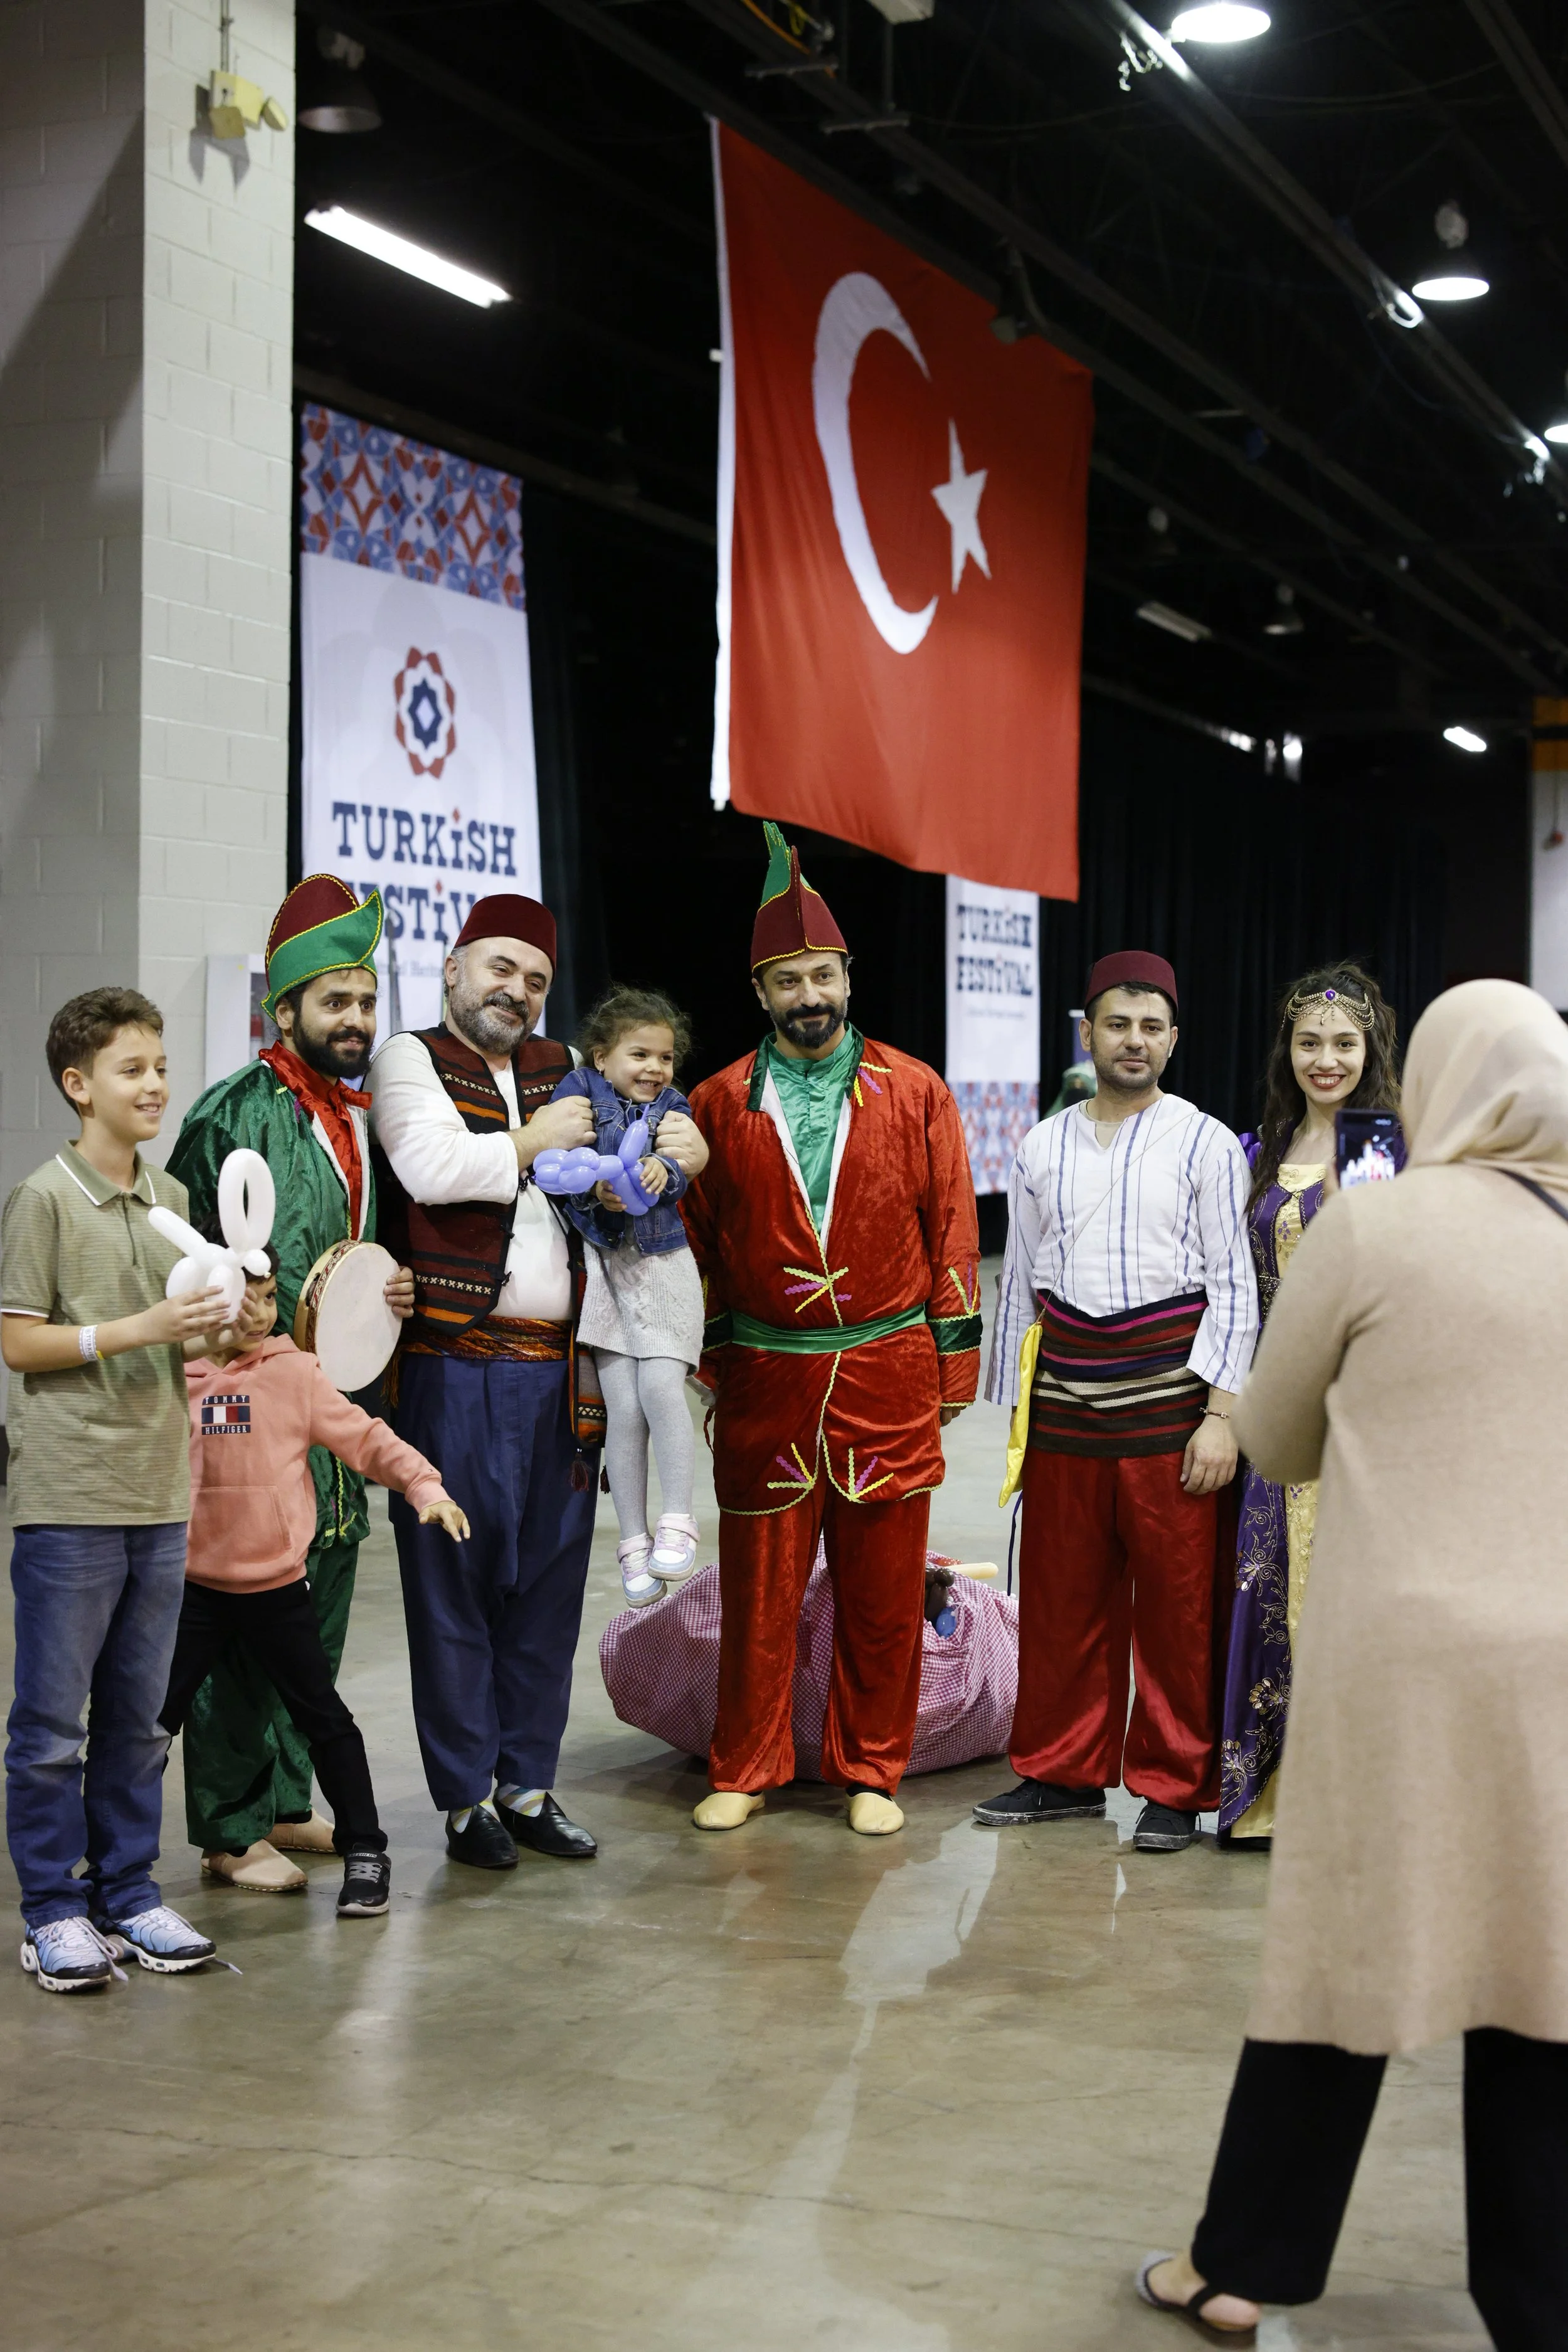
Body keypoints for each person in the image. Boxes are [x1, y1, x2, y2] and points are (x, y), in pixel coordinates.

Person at [1138, 979, 1568, 2349]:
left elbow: (1270, 1438)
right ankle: (1539, 2306)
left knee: (1341, 1958)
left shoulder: (1373, 1222)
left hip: (1401, 1660)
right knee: (1542, 1975)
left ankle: (1238, 2268)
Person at [368, 893, 708, 1870]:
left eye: (535, 979)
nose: (515, 991)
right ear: (454, 968)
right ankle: (466, 1797)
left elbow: (651, 1129)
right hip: (451, 1366)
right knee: (453, 1586)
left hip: (566, 1369)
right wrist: (530, 1143)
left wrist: (685, 1148)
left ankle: (527, 1783)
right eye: (499, 969)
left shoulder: (570, 1066)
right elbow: (431, 1167)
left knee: (550, 1588)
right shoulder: (412, 1056)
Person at [680, 823, 982, 1838]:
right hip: (768, 1378)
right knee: (756, 1594)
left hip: (890, 1369)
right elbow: (702, 1246)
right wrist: (710, 1368)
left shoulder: (917, 1091)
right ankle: (747, 1762)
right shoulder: (718, 1103)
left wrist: (954, 1367)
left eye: (822, 975)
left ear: (848, 976)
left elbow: (953, 1230)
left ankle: (872, 1767)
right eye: (787, 981)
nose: (808, 996)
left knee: (885, 1594)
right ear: (759, 993)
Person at [977, 952, 1258, 1853]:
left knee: (1178, 1610)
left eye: (1150, 1027)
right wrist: (1011, 1413)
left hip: (1170, 1404)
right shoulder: (1041, 1144)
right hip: (1062, 1398)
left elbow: (1234, 1286)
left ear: (1173, 1040)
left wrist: (1223, 1414)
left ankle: (1174, 1786)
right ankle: (1061, 1773)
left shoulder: (1207, 1141)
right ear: (1087, 1031)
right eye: (1116, 1024)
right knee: (1062, 1602)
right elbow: (1019, 1279)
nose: (1132, 1041)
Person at [166, 876, 414, 1894]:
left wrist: (385, 1282)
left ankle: (284, 1800)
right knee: (237, 1616)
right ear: (287, 1010)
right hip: (247, 1409)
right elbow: (179, 1261)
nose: (354, 1021)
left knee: (316, 1605)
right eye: (334, 1003)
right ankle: (229, 1828)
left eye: (364, 1001)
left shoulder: (361, 1119)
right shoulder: (234, 1112)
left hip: (333, 1405)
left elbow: (351, 1249)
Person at [2, 988, 225, 1991]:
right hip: (68, 1496)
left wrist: (230, 1320)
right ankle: (52, 1909)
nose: (155, 1085)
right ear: (77, 1084)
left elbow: (197, 1347)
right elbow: (18, 1342)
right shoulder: (43, 1198)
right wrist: (139, 1329)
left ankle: (128, 1892)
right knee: (52, 1724)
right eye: (132, 1069)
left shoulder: (173, 1200)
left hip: (157, 1492)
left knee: (139, 1718)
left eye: (161, 1066)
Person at [164, 1256, 469, 1920]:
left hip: (277, 1589)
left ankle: (366, 1850)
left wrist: (425, 1486)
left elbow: (365, 1439)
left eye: (269, 1298)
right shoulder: (170, 1378)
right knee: (146, 1727)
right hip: (190, 1595)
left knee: (324, 1721)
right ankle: (115, 1864)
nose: (260, 1313)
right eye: (241, 1299)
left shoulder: (294, 1374)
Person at [1219, 965, 1401, 1846]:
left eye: (1343, 1043)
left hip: (1367, 1416)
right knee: (1271, 1593)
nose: (1325, 1060)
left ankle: (1357, 1804)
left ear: (1370, 1051)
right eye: (1308, 1042)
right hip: (1278, 1412)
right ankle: (1267, 1796)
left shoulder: (1390, 1151)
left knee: (1361, 1599)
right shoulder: (1258, 1151)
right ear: (1285, 1051)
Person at [548, 986, 705, 1609]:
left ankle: (678, 1519)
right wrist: (594, 1188)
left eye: (665, 1058)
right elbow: (563, 1165)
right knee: (623, 1407)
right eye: (640, 1054)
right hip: (607, 1273)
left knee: (661, 1389)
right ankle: (633, 1542)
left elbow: (682, 1161)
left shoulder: (671, 1106)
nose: (655, 1069)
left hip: (663, 1268)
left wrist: (664, 1172)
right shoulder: (577, 1091)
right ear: (600, 1056)